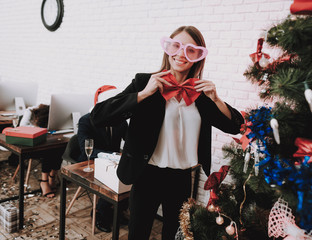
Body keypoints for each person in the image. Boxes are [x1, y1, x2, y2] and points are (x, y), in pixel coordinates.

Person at [90, 26, 244, 239]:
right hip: (146, 174)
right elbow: (99, 116)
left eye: (190, 50)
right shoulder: (145, 82)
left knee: (174, 234)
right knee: (138, 234)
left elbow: (235, 125)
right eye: (176, 46)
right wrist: (143, 94)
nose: (181, 54)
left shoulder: (200, 93)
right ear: (168, 49)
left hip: (180, 178)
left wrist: (216, 99)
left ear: (198, 56)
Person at [77, 85, 129, 233]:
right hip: (88, 162)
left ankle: (117, 210)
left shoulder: (120, 121)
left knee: (130, 173)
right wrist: (113, 156)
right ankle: (100, 212)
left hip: (111, 162)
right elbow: (87, 149)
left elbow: (130, 140)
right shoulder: (86, 120)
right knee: (110, 178)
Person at [19, 104, 62, 198]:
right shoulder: (29, 112)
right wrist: (39, 129)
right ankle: (44, 182)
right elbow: (21, 128)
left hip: (44, 143)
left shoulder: (50, 113)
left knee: (59, 148)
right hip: (29, 147)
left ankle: (52, 177)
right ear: (36, 119)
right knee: (49, 151)